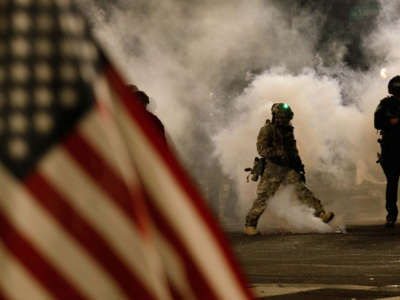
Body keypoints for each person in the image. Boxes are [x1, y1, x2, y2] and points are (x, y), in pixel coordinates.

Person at [244, 103, 334, 235]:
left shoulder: (288, 129)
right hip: (273, 169)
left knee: (302, 191)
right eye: (283, 117)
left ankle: (321, 214)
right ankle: (250, 225)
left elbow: (293, 151)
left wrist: (299, 167)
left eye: (287, 118)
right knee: (264, 198)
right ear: (276, 116)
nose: (286, 120)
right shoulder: (267, 130)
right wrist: (277, 153)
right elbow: (262, 150)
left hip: (288, 168)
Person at [374, 75, 400, 228]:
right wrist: (391, 122)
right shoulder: (385, 104)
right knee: (392, 184)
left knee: (392, 183)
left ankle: (391, 214)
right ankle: (391, 214)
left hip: (392, 149)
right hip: (392, 149)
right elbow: (377, 123)